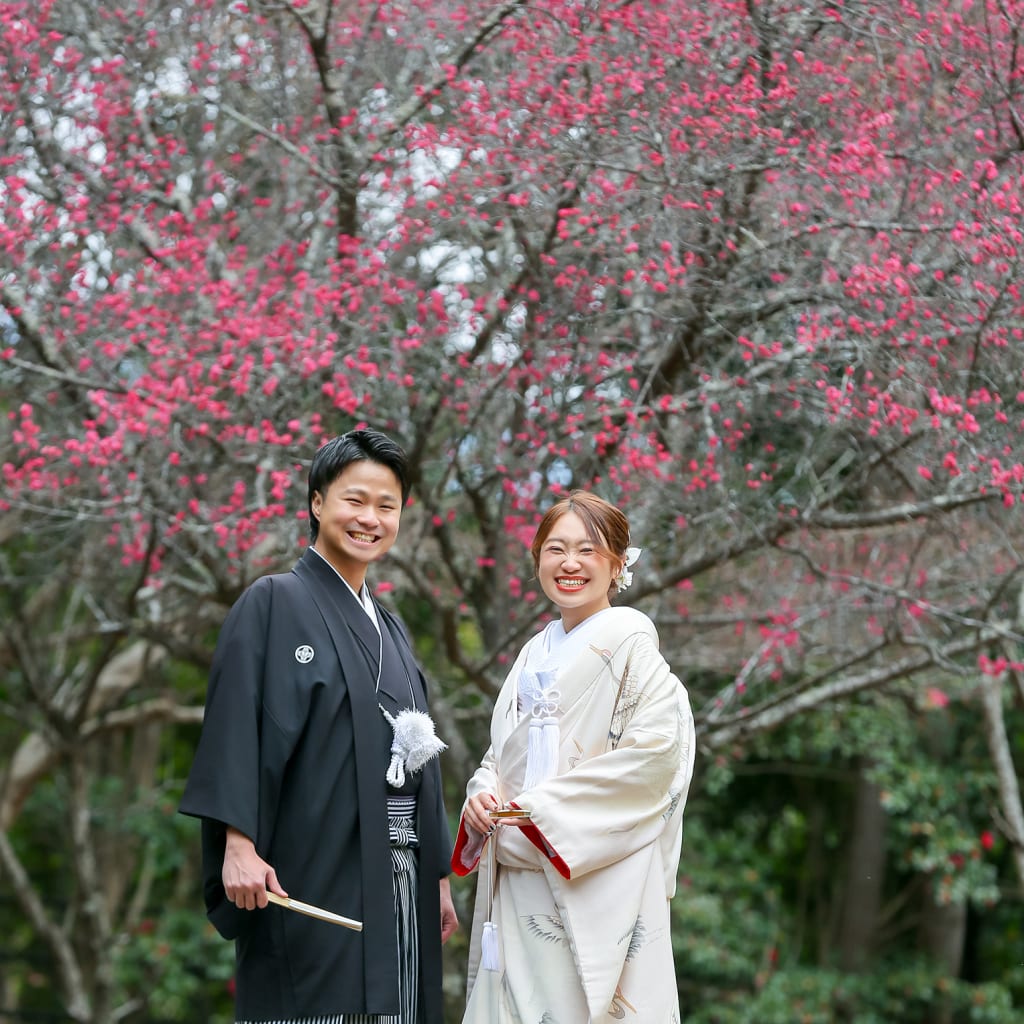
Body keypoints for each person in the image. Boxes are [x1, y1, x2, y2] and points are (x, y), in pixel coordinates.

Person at [180, 429, 458, 1024]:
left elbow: (418, 758)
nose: (370, 519)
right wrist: (238, 843)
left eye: (387, 507)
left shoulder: (392, 628)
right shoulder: (273, 601)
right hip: (314, 863)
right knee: (317, 1000)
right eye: (354, 500)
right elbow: (237, 725)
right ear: (316, 503)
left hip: (400, 873)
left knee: (400, 1006)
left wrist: (436, 874)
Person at [451, 491, 695, 1023]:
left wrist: (537, 813)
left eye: (588, 550)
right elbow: (500, 754)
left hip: (586, 872)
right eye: (555, 549)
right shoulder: (532, 652)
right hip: (517, 875)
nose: (569, 564)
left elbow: (655, 758)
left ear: (616, 565)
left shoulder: (633, 647)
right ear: (537, 558)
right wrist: (481, 796)